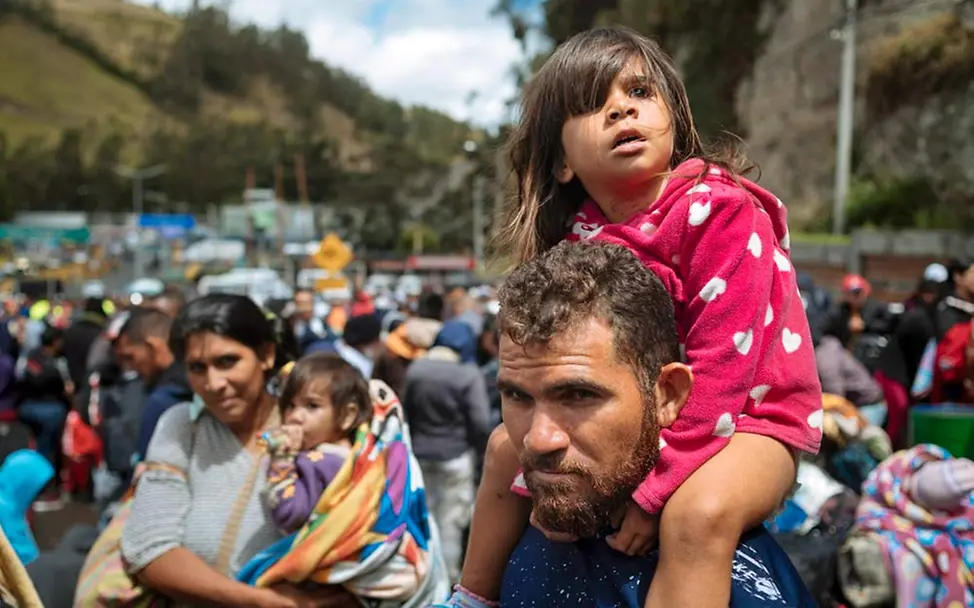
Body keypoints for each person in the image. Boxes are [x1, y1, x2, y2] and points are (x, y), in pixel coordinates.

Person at [456, 27, 821, 608]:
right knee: (504, 448)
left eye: (640, 92)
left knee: (699, 516)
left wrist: (658, 489)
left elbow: (724, 365)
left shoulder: (720, 213)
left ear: (673, 118)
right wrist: (547, 486)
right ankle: (471, 596)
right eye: (590, 105)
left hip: (751, 421)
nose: (621, 107)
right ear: (561, 164)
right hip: (650, 422)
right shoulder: (578, 239)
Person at [444, 241, 815, 606]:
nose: (539, 441)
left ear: (667, 394)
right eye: (517, 396)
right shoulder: (522, 521)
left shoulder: (728, 579)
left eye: (579, 396)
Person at [119, 294, 355, 607]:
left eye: (227, 361)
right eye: (197, 368)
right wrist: (258, 601)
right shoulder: (181, 428)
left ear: (266, 355)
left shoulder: (316, 427)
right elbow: (148, 549)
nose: (213, 383)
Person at [238, 353, 445, 605]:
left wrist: (281, 461)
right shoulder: (369, 457)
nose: (295, 416)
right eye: (290, 405)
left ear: (347, 415)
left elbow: (289, 514)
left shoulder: (316, 462)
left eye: (311, 406)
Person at [113, 306, 192, 462]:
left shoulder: (163, 400)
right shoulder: (187, 384)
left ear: (153, 346)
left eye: (130, 357)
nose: (131, 367)